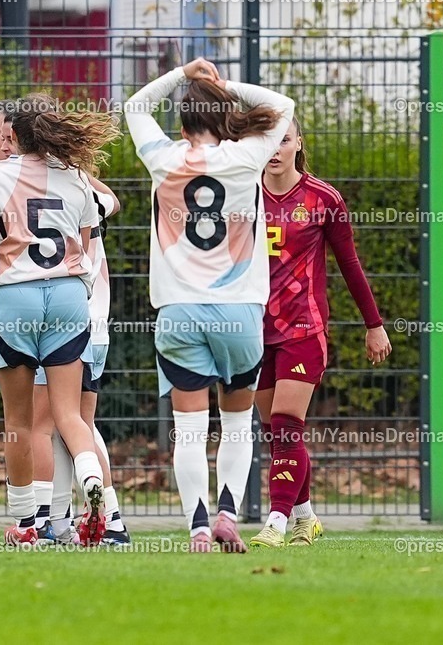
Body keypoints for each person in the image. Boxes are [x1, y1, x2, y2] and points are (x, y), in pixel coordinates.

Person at [125, 58, 295, 552]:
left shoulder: (163, 158)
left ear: (182, 125)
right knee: (239, 421)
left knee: (190, 428)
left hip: (179, 312)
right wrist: (221, 86)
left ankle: (198, 527)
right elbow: (281, 105)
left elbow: (135, 105)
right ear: (224, 118)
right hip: (241, 313)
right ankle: (228, 513)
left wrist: (186, 75)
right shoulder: (247, 156)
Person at [0, 93, 121, 547]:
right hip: (68, 295)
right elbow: (83, 245)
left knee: (21, 420)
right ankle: (93, 489)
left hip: (15, 296)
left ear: (14, 136)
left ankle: (33, 524)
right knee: (70, 415)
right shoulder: (77, 178)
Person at [249, 118, 391, 548]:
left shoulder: (322, 198)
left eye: (284, 141)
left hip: (304, 330)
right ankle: (306, 515)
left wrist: (374, 325)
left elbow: (349, 263)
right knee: (276, 432)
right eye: (267, 142)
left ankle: (275, 523)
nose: (275, 150)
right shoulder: (242, 195)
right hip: (252, 331)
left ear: (298, 145)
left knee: (288, 425)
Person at [30, 177, 129, 546]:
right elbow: (113, 201)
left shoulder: (25, 190)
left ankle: (43, 522)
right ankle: (101, 522)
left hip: (58, 320)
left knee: (42, 423)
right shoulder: (83, 193)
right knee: (78, 423)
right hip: (94, 324)